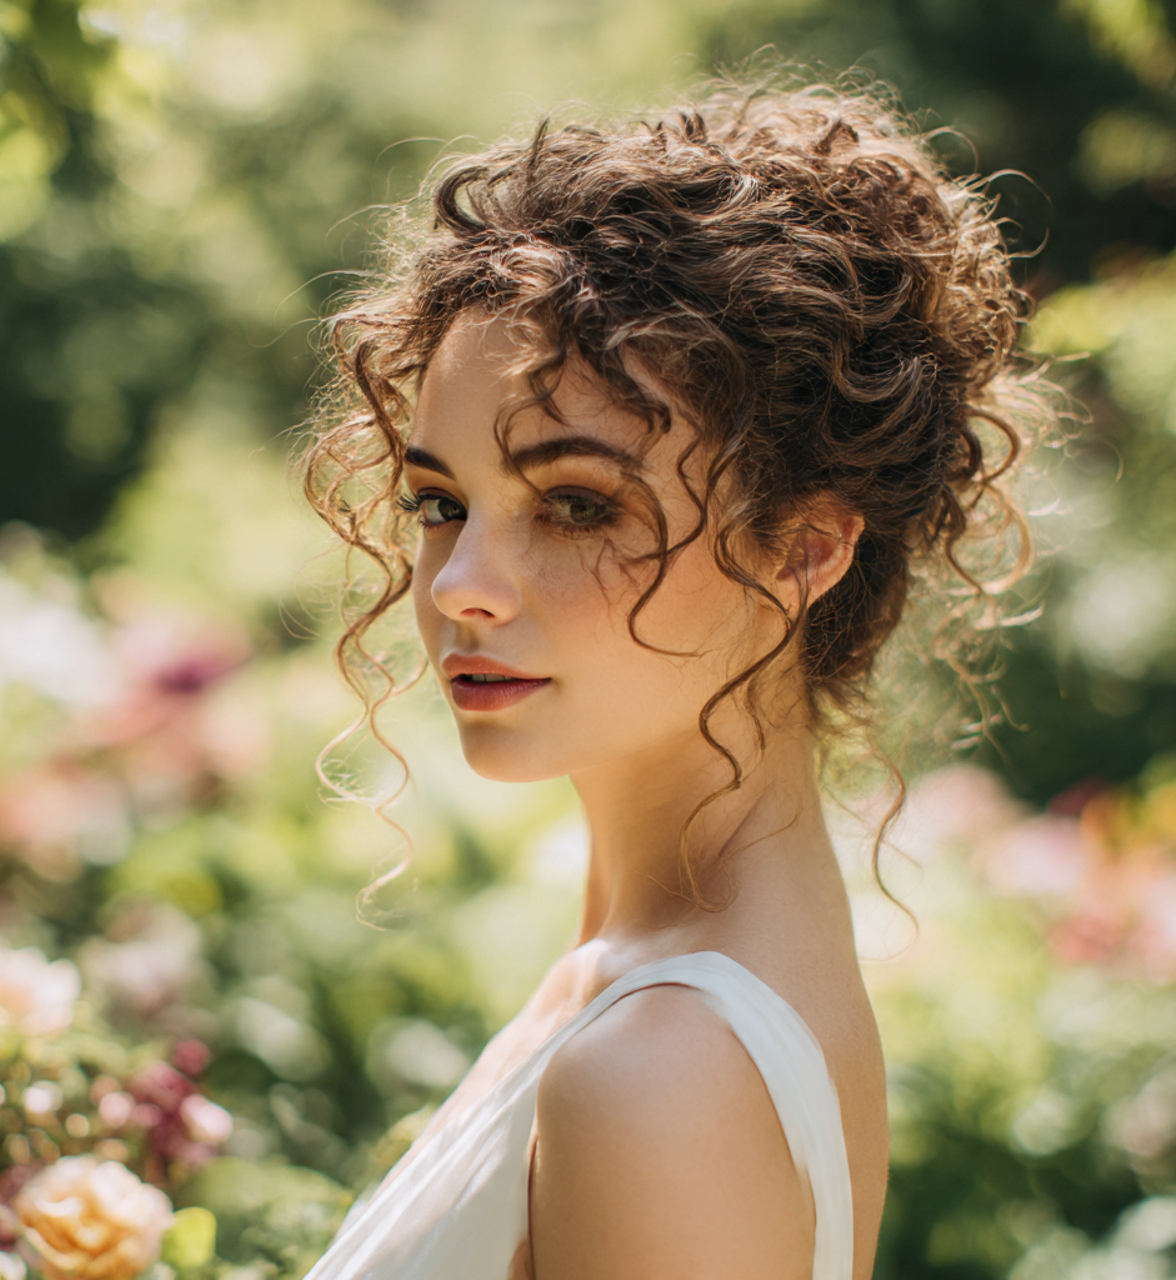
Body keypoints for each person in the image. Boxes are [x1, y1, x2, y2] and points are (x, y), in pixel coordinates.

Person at [300, 75, 1039, 1280]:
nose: (457, 584)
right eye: (441, 502)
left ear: (802, 546)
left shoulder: (660, 1069)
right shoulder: (641, 979)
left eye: (576, 504)